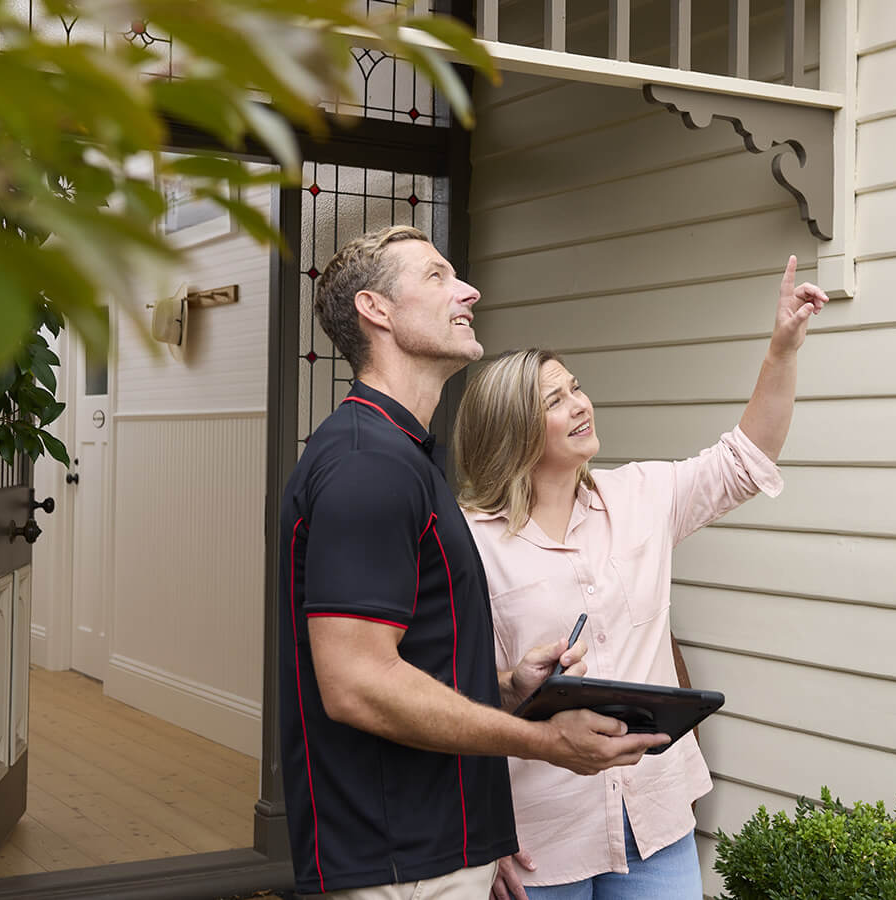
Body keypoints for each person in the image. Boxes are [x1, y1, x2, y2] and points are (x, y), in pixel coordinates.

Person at [278, 225, 668, 899]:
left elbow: (411, 660)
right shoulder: (367, 465)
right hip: (400, 861)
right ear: (376, 310)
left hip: (436, 848)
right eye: (436, 276)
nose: (469, 291)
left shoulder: (402, 454)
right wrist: (546, 742)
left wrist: (507, 686)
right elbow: (357, 682)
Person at [453, 258, 827, 899]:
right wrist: (483, 831)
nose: (580, 404)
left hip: (655, 819)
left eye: (576, 388)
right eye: (554, 400)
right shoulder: (470, 541)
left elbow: (746, 459)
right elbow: (452, 698)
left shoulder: (642, 496)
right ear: (513, 430)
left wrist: (782, 350)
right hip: (540, 837)